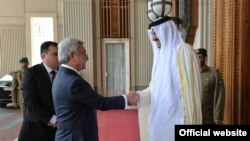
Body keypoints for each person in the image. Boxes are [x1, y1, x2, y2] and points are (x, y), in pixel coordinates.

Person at [52, 37, 138, 141]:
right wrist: (126, 99)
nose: (87, 58)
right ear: (72, 55)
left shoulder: (60, 76)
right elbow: (101, 103)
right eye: (84, 53)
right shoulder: (74, 82)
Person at [132, 16, 203, 141]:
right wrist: (139, 96)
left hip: (179, 119)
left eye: (156, 33)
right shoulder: (159, 58)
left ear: (166, 31)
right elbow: (154, 89)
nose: (153, 37)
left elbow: (192, 90)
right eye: (152, 33)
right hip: (160, 121)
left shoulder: (184, 51)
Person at [18, 41, 59, 141]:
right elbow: (31, 102)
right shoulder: (32, 73)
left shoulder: (62, 73)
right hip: (36, 130)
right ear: (44, 56)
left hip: (56, 131)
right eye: (55, 54)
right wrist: (52, 119)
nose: (59, 57)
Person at [196, 48, 225, 125]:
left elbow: (219, 96)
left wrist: (218, 117)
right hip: (195, 115)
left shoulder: (214, 74)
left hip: (208, 117)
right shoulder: (192, 74)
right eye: (195, 57)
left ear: (205, 58)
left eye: (199, 57)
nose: (197, 60)